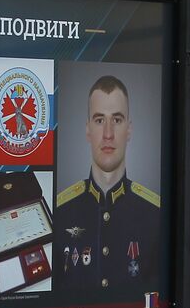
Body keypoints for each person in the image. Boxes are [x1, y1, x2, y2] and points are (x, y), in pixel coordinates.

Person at [55, 74, 159, 294]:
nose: (108, 134)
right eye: (100, 120)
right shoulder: (60, 212)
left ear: (129, 130)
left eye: (117, 120)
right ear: (87, 129)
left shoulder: (155, 214)